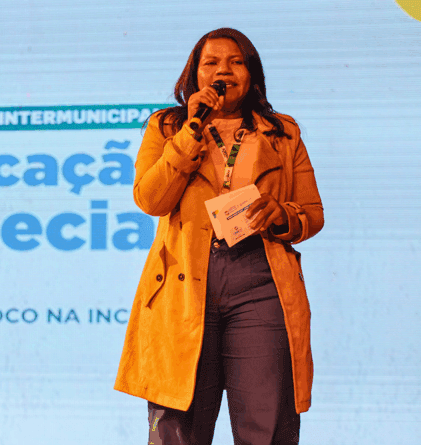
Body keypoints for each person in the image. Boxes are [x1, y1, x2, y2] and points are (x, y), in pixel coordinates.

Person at [114, 28, 324, 445]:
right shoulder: (168, 126)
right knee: (178, 425)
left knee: (268, 423)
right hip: (185, 284)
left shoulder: (283, 132)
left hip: (261, 282)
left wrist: (280, 215)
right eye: (211, 63)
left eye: (235, 62)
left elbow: (311, 214)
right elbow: (151, 199)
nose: (222, 72)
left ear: (252, 74)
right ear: (195, 75)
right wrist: (191, 131)